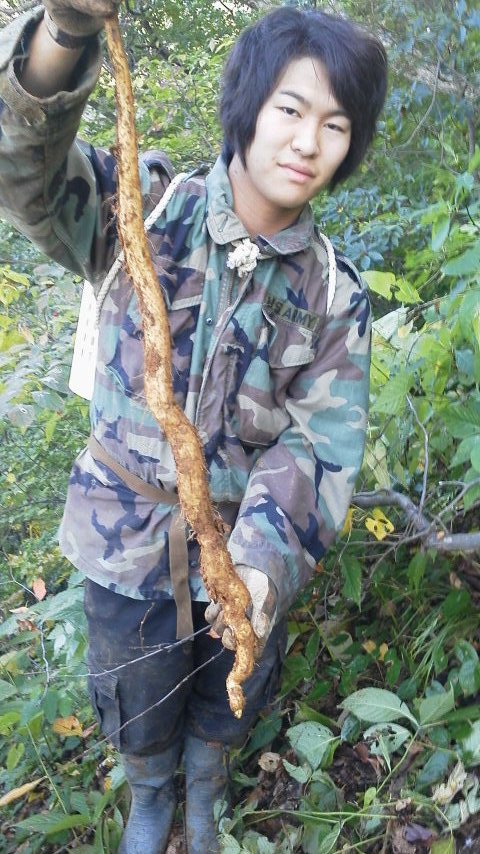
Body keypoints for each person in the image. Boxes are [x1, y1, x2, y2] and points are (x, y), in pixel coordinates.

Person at [0, 3, 387, 852]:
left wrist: (256, 565)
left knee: (226, 694)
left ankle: (205, 796)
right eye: (291, 109)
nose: (308, 141)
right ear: (247, 105)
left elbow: (318, 445)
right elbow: (24, 169)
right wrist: (65, 32)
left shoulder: (333, 296)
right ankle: (150, 801)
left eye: (335, 125)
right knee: (136, 699)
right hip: (123, 541)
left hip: (244, 553)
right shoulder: (141, 205)